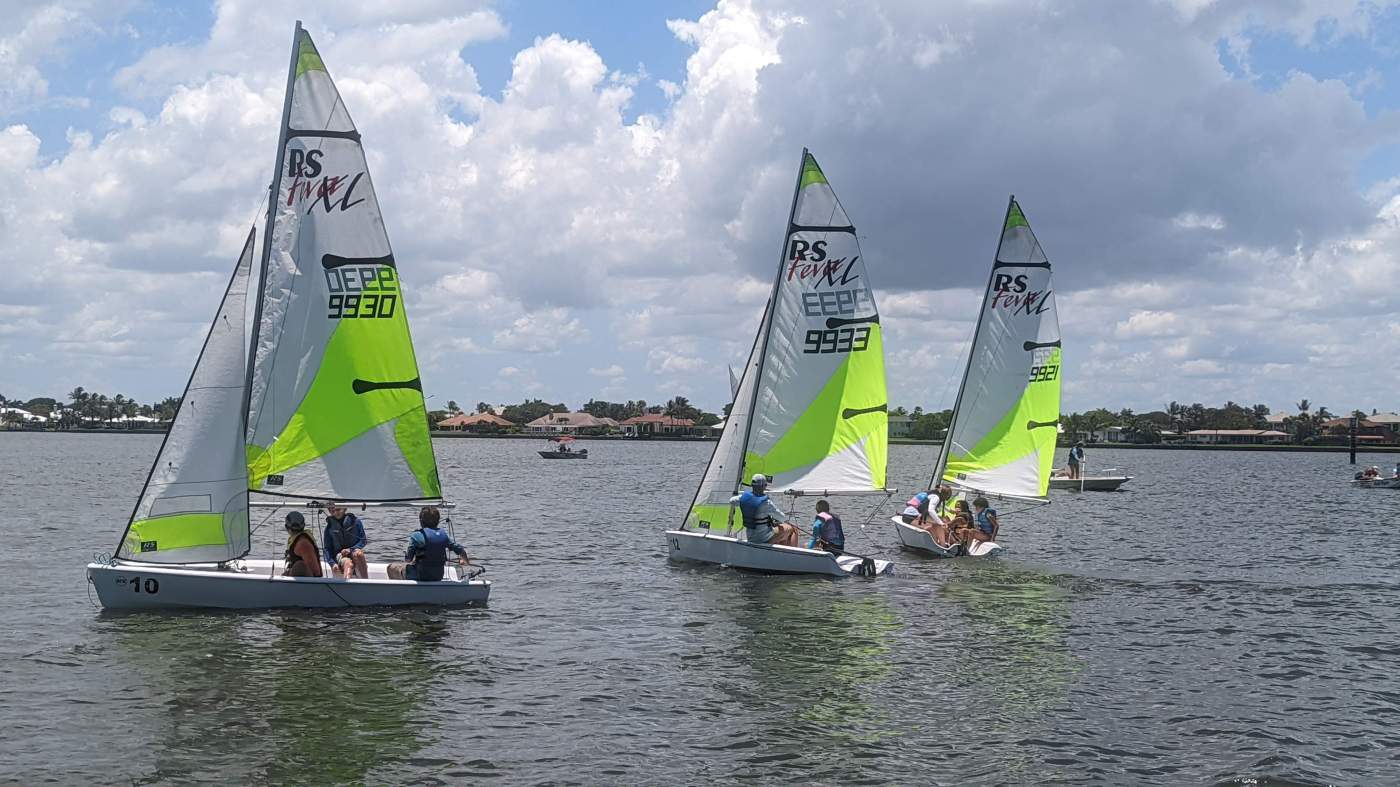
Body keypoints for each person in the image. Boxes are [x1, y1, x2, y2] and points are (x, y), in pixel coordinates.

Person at [387, 507, 471, 581]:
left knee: (391, 567)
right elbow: (461, 551)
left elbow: (408, 560)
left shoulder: (416, 535)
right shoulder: (443, 536)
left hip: (420, 575)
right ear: (438, 521)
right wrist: (465, 562)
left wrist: (411, 560)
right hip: (438, 576)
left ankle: (401, 592)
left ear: (421, 521)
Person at [731, 473, 800, 547]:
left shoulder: (743, 498)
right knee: (792, 529)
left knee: (780, 529)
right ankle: (791, 554)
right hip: (764, 538)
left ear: (752, 485)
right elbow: (782, 517)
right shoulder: (766, 503)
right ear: (763, 486)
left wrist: (743, 499)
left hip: (750, 537)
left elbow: (732, 500)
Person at [323, 503, 368, 579]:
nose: (336, 512)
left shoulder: (356, 522)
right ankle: (347, 587)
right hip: (339, 555)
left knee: (359, 554)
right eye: (332, 511)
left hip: (353, 551)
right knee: (348, 563)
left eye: (338, 509)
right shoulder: (329, 528)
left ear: (345, 508)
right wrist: (332, 563)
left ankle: (366, 583)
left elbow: (363, 541)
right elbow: (327, 549)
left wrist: (350, 550)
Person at [282, 511, 323, 577]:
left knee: (299, 566)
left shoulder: (303, 544)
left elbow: (316, 572)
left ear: (286, 527)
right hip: (297, 582)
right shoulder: (297, 539)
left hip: (309, 584)